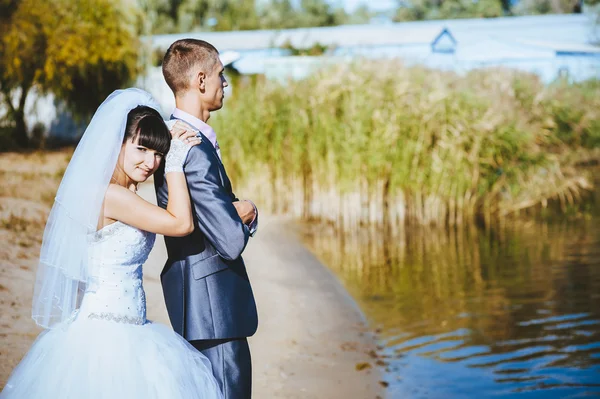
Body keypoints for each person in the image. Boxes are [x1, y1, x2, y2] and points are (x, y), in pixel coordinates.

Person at [0, 88, 223, 399]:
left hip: (133, 328)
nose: (152, 162)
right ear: (118, 144)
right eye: (142, 149)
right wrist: (175, 162)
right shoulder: (110, 196)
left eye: (159, 153)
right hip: (106, 337)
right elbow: (181, 223)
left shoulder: (124, 194)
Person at [155, 39, 258, 399]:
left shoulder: (175, 138)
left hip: (199, 305)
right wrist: (245, 211)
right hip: (214, 310)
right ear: (201, 80)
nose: (224, 84)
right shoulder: (192, 148)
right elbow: (229, 239)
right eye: (221, 75)